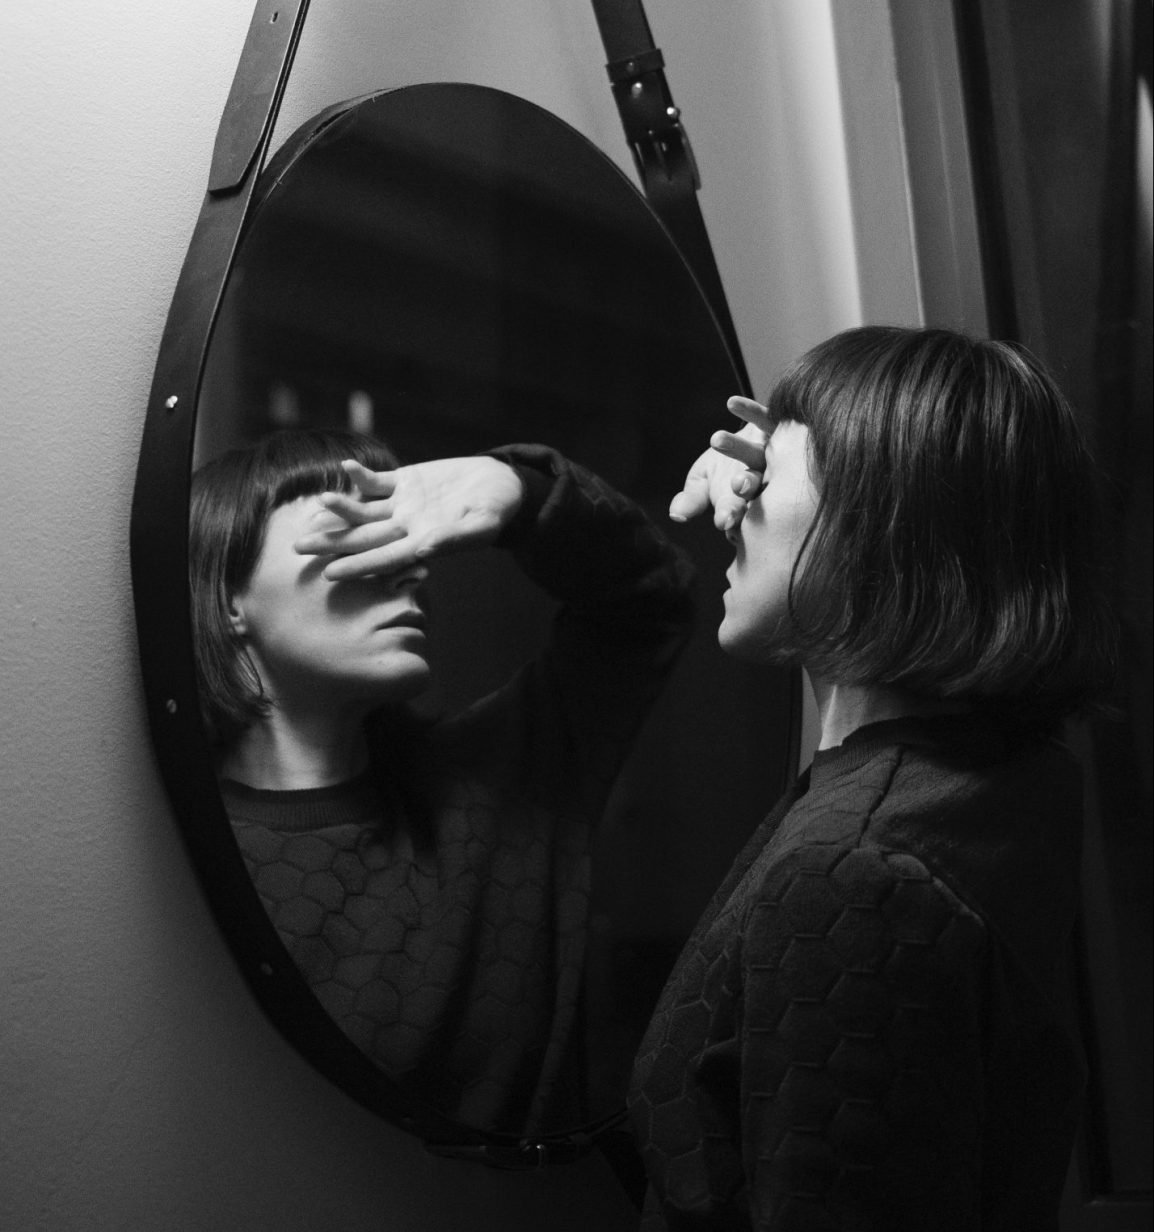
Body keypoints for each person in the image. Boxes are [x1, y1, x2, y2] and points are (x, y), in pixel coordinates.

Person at [629, 326, 1116, 1229]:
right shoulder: (987, 786)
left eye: (766, 480)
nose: (731, 508)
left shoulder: (857, 876)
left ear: (879, 522)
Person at [189, 430, 694, 1137]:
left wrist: (519, 492)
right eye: (353, 532)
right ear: (230, 597)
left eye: (404, 536)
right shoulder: (170, 856)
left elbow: (649, 601)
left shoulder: (500, 791)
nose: (409, 569)